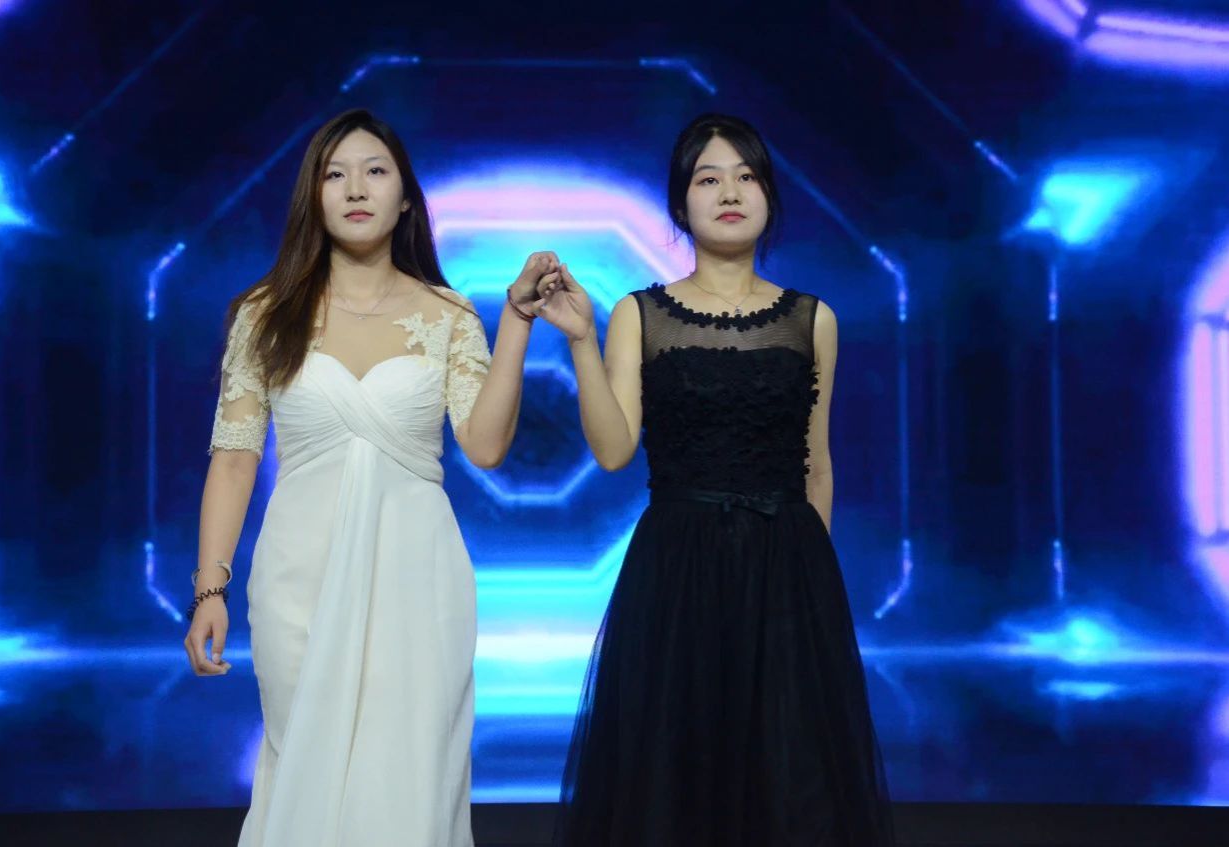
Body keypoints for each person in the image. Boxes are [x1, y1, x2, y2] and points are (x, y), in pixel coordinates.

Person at [181, 108, 557, 847]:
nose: (356, 188)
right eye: (336, 173)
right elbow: (234, 456)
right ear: (313, 196)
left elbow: (484, 446)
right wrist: (209, 590)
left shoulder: (448, 315)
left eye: (375, 171)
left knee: (408, 780)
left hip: (419, 578)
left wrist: (516, 321)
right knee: (306, 770)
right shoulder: (264, 314)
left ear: (406, 197)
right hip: (297, 578)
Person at [539, 113, 895, 846]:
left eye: (746, 176)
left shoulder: (813, 319)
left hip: (785, 570)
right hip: (677, 570)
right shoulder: (639, 313)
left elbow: (817, 463)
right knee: (675, 773)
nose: (729, 192)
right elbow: (613, 450)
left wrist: (812, 596)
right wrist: (580, 342)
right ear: (681, 203)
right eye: (708, 179)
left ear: (768, 196)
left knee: (790, 781)